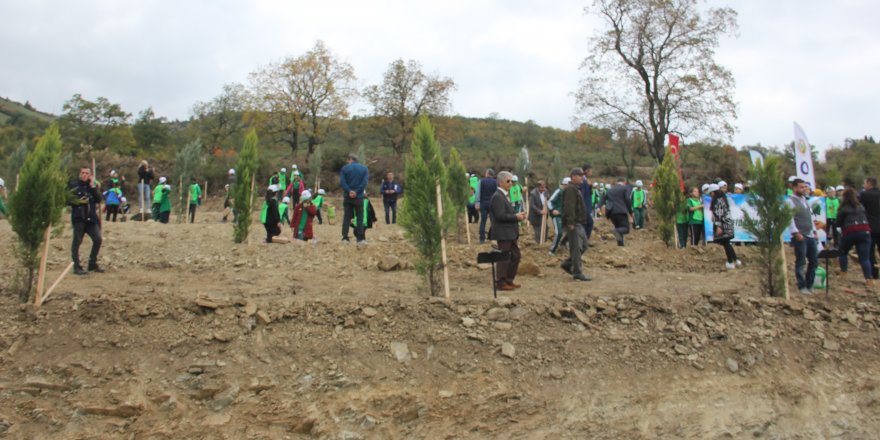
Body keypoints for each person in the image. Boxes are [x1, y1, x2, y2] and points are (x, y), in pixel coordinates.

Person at [489, 171, 526, 290]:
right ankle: (500, 282)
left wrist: (517, 215)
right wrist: (516, 217)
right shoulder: (497, 196)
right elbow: (500, 215)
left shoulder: (504, 195)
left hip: (510, 233)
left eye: (512, 181)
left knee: (515, 255)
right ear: (500, 183)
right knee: (504, 257)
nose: (511, 183)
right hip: (503, 232)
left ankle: (509, 280)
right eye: (508, 181)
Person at [836, 188, 874, 289]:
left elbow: (838, 223)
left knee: (842, 252)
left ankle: (844, 272)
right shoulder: (860, 206)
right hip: (865, 231)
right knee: (865, 258)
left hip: (850, 232)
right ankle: (868, 279)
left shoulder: (843, 208)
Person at [69, 166, 104, 275]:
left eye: (87, 173)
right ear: (80, 173)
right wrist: (78, 201)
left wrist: (92, 187)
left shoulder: (92, 186)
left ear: (90, 175)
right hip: (79, 218)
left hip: (91, 218)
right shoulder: (73, 185)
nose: (84, 175)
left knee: (98, 239)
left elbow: (98, 199)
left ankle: (92, 263)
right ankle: (76, 266)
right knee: (77, 242)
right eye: (82, 173)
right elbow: (67, 200)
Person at [787, 178, 817, 294]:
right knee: (801, 262)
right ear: (794, 188)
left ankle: (810, 284)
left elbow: (809, 217)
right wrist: (795, 232)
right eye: (801, 187)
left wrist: (814, 231)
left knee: (814, 260)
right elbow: (790, 219)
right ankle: (802, 286)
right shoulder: (790, 201)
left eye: (805, 187)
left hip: (810, 234)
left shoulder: (805, 200)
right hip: (800, 235)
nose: (803, 189)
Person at [561, 168, 591, 281]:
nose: (582, 177)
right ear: (573, 176)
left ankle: (568, 264)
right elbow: (569, 206)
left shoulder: (575, 189)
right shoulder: (570, 189)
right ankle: (577, 272)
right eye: (579, 175)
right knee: (576, 248)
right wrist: (571, 222)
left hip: (578, 222)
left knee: (584, 245)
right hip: (574, 223)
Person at [709, 183, 740, 270]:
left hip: (723, 225)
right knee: (727, 243)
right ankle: (735, 259)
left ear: (713, 193)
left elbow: (719, 214)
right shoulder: (723, 199)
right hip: (727, 224)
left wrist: (718, 226)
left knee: (726, 243)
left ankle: (730, 261)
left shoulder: (718, 201)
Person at [339, 153, 369, 244]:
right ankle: (360, 238)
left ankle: (345, 237)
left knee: (347, 217)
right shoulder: (364, 169)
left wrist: (349, 191)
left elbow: (342, 182)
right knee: (359, 217)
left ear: (350, 159)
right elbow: (364, 183)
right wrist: (356, 191)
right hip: (359, 197)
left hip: (348, 197)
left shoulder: (344, 168)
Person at [600, 177, 633, 246]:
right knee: (626, 229)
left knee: (619, 228)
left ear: (617, 182)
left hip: (611, 212)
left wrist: (598, 207)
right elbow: (628, 199)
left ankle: (620, 245)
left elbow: (603, 198)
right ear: (624, 182)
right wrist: (630, 212)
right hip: (620, 211)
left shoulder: (610, 189)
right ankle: (615, 231)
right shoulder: (625, 188)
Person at [859, 177, 880, 279]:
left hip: (869, 226)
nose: (864, 185)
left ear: (870, 183)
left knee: (870, 250)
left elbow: (859, 208)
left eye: (865, 183)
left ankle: (874, 273)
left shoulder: (864, 194)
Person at [547, 177, 570, 255]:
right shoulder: (559, 191)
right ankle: (552, 250)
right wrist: (553, 210)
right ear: (565, 185)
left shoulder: (571, 193)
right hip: (558, 216)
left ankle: (563, 243)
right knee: (559, 233)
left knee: (571, 231)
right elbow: (550, 202)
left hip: (566, 216)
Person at [475, 168, 497, 243]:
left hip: (483, 203)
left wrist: (477, 202)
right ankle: (493, 237)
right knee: (493, 221)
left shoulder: (481, 181)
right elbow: (497, 193)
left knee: (483, 221)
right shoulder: (495, 182)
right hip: (492, 204)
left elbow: (478, 193)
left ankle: (482, 239)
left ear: (487, 174)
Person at [579, 164, 595, 240]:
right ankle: (584, 241)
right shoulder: (583, 181)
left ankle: (583, 241)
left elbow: (589, 193)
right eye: (591, 171)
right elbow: (582, 195)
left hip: (586, 207)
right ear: (586, 171)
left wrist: (590, 186)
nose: (591, 173)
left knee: (585, 224)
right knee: (589, 223)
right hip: (584, 207)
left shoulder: (587, 181)